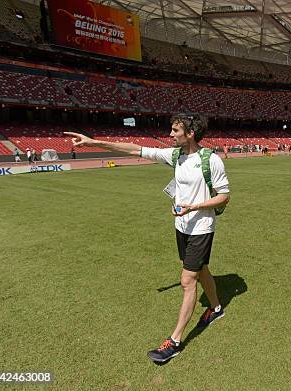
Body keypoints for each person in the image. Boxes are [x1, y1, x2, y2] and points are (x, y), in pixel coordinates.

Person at [64, 114, 230, 363]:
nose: (171, 134)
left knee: (187, 280)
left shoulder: (211, 160)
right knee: (200, 268)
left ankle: (174, 341)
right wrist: (93, 142)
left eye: (175, 130)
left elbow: (224, 196)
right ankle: (216, 308)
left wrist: (194, 207)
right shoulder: (175, 156)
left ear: (191, 133)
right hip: (181, 226)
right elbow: (135, 149)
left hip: (201, 227)